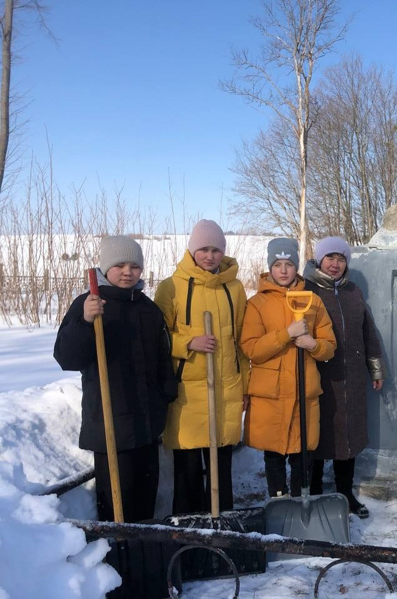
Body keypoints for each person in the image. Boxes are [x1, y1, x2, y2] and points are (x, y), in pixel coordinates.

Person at [54, 236, 177, 522]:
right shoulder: (90, 304)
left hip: (146, 424)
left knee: (146, 499)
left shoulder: (148, 309)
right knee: (116, 504)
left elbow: (162, 357)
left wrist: (166, 392)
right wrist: (84, 321)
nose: (127, 272)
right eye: (119, 265)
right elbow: (66, 358)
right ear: (105, 267)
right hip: (111, 425)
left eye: (134, 266)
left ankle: (144, 551)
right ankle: (117, 556)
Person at [154, 219, 249, 514]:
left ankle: (224, 533)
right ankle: (188, 537)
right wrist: (188, 343)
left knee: (222, 471)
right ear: (192, 250)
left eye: (216, 250)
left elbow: (241, 342)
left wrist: (245, 386)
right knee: (188, 473)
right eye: (204, 249)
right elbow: (157, 337)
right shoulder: (171, 287)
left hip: (226, 390)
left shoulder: (234, 288)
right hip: (189, 393)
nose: (210, 256)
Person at [240, 238, 336, 497]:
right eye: (278, 264)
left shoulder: (313, 301)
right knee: (273, 457)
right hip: (270, 396)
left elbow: (330, 346)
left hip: (303, 394)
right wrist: (286, 334)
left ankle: (299, 502)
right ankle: (277, 501)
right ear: (270, 267)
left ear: (297, 267)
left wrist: (313, 344)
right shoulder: (256, 304)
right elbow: (251, 349)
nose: (283, 270)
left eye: (289, 264)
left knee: (302, 456)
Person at [304, 237, 384, 518]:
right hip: (319, 377)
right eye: (330, 258)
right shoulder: (306, 290)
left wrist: (375, 369)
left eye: (341, 259)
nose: (335, 264)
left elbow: (368, 332)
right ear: (319, 260)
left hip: (351, 379)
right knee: (317, 436)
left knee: (347, 437)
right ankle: (312, 494)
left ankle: (345, 493)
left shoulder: (353, 292)